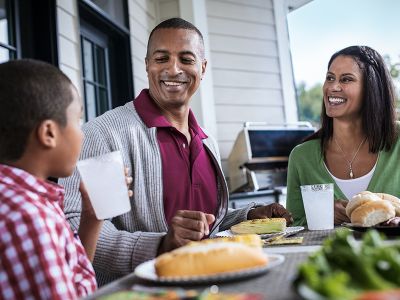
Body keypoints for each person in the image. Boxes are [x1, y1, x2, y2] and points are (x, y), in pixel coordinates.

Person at [59, 17, 293, 285]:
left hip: (211, 285)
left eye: (186, 58)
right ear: (147, 65)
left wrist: (248, 215)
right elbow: (74, 227)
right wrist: (159, 245)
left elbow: (206, 225)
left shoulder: (207, 143)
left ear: (202, 68)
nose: (173, 69)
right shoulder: (105, 134)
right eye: (161, 59)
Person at [0, 59, 102, 299]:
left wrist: (91, 217)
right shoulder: (29, 217)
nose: (82, 135)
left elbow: (68, 277)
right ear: (48, 133)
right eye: (77, 121)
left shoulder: (20, 199)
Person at [286, 45, 400, 226]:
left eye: (346, 79)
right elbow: (293, 225)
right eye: (330, 78)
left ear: (372, 88)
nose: (333, 87)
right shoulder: (302, 157)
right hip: (331, 254)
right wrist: (321, 214)